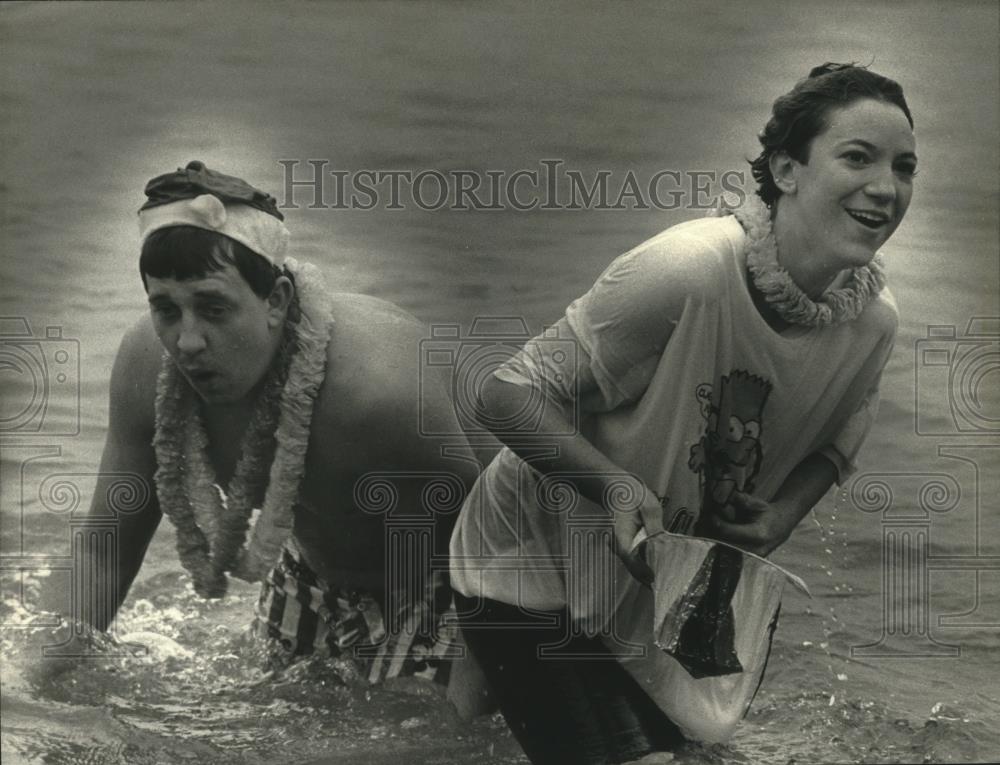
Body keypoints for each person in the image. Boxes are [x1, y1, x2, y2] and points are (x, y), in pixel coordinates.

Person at [450, 63, 917, 763]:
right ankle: (478, 642)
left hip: (656, 591)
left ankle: (469, 681)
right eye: (858, 157)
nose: (886, 187)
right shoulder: (690, 269)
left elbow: (836, 448)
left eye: (904, 167)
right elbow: (504, 394)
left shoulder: (871, 322)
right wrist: (614, 486)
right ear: (786, 169)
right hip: (527, 558)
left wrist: (783, 512)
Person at [36, 161, 482, 693]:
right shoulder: (147, 367)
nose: (188, 342)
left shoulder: (376, 393)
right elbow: (104, 551)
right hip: (311, 575)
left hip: (451, 580)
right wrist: (35, 683)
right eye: (167, 310)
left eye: (213, 308)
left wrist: (467, 703)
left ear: (277, 301)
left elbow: (514, 540)